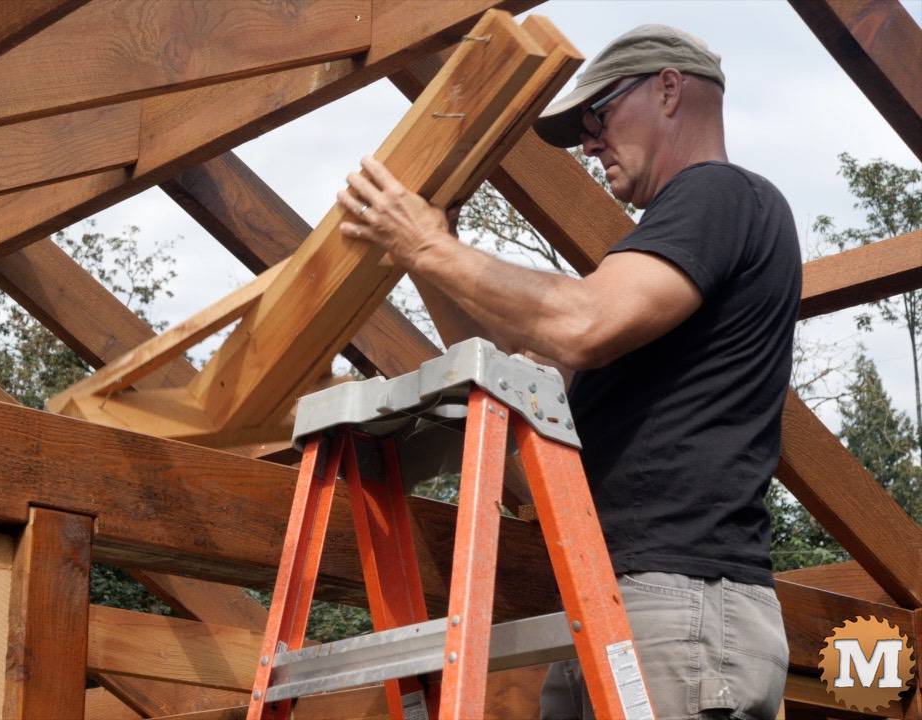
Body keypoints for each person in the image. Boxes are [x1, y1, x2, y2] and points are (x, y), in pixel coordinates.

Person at [336, 24, 799, 720]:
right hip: (608, 603)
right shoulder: (661, 278)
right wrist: (428, 257)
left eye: (598, 114)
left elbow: (581, 324)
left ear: (669, 89)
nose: (588, 142)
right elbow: (518, 388)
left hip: (681, 604)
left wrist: (428, 246)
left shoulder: (723, 196)